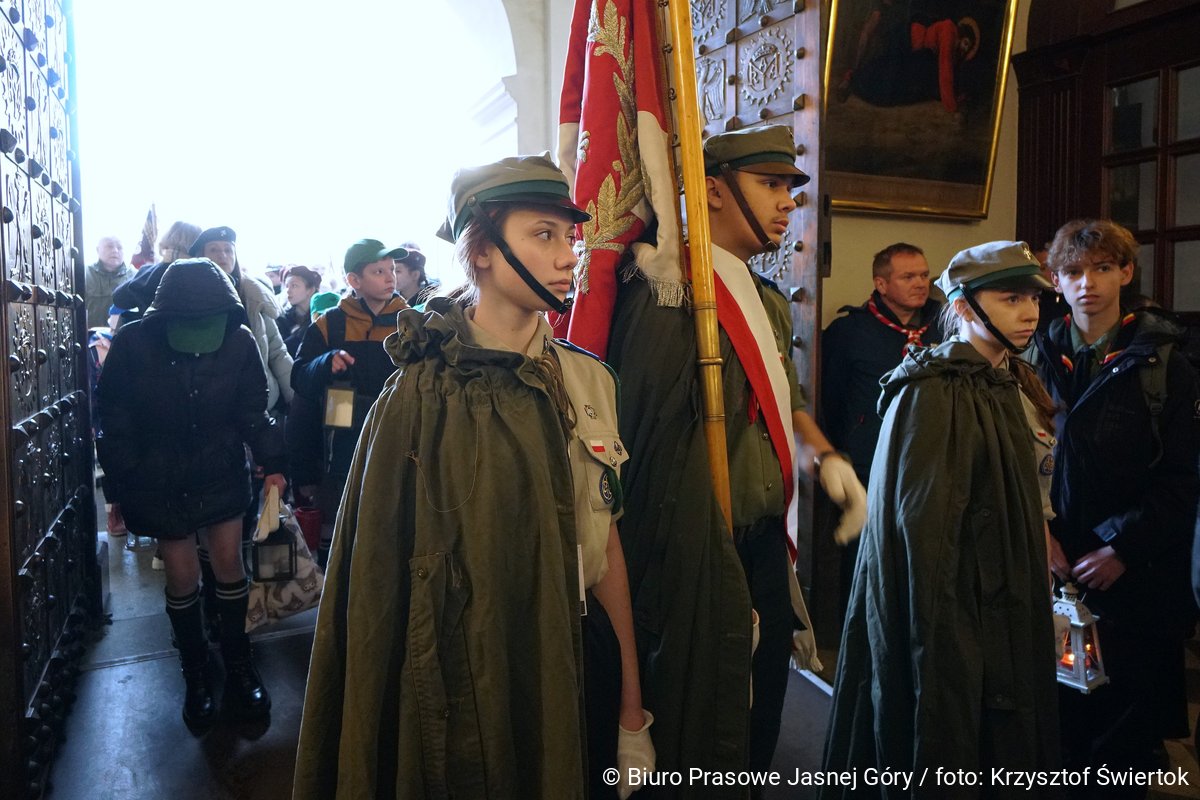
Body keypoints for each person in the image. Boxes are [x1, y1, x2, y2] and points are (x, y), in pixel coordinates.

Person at [294, 154, 652, 799]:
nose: (568, 256)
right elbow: (378, 582)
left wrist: (631, 709)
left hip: (577, 652)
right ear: (482, 251)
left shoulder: (589, 379)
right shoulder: (419, 395)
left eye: (569, 236)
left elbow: (607, 545)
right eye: (543, 235)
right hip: (478, 678)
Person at [605, 125, 865, 791]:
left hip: (762, 543)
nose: (787, 202)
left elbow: (785, 396)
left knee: (760, 715)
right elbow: (647, 437)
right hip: (699, 546)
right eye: (769, 184)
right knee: (703, 721)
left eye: (789, 187)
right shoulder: (669, 293)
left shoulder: (764, 299)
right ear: (713, 191)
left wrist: (826, 458)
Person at [821, 241, 1061, 795]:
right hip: (954, 602)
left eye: (1033, 299)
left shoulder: (1007, 379)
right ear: (965, 307)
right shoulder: (932, 389)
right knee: (947, 723)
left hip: (1007, 588)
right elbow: (922, 530)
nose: (1029, 313)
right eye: (1010, 299)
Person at [1031, 219, 1199, 796]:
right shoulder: (1033, 353)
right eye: (1074, 271)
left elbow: (1183, 478)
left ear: (1126, 272)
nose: (1088, 284)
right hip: (1054, 561)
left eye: (1103, 268)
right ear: (1055, 281)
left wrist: (1122, 547)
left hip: (1134, 570)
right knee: (1056, 723)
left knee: (1124, 730)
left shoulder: (1164, 362)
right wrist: (1039, 533)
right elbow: (1015, 461)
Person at [96, 258, 286, 729]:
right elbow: (115, 419)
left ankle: (238, 663)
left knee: (229, 565)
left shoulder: (239, 340)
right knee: (182, 576)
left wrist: (277, 465)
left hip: (219, 468)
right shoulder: (132, 343)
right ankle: (195, 671)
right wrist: (121, 483)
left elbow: (252, 410)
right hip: (158, 477)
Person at [289, 239, 408, 565]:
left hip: (396, 429)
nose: (390, 277)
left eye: (392, 269)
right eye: (378, 271)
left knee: (391, 512)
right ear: (354, 280)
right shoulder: (330, 324)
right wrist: (325, 362)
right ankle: (336, 578)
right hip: (341, 434)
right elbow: (299, 378)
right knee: (339, 510)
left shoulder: (410, 322)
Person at [821, 242, 941, 486]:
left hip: (930, 460)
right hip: (868, 460)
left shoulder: (944, 325)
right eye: (908, 277)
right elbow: (829, 400)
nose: (921, 284)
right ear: (881, 284)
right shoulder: (849, 331)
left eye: (924, 275)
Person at [113, 221, 203, 323]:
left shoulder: (149, 274)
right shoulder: (206, 276)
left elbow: (119, 299)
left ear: (167, 240)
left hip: (152, 331)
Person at [85, 236, 134, 327]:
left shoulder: (135, 276)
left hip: (124, 334)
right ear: (98, 250)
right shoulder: (84, 274)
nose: (115, 251)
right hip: (89, 333)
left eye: (119, 247)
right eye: (109, 246)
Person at [277, 265, 322, 356]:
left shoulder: (322, 316)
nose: (288, 291)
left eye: (294, 286)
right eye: (286, 286)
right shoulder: (282, 319)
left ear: (310, 290)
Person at [393, 242, 438, 306]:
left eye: (397, 271)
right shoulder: (391, 300)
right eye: (391, 270)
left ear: (415, 275)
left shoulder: (430, 304)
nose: (392, 275)